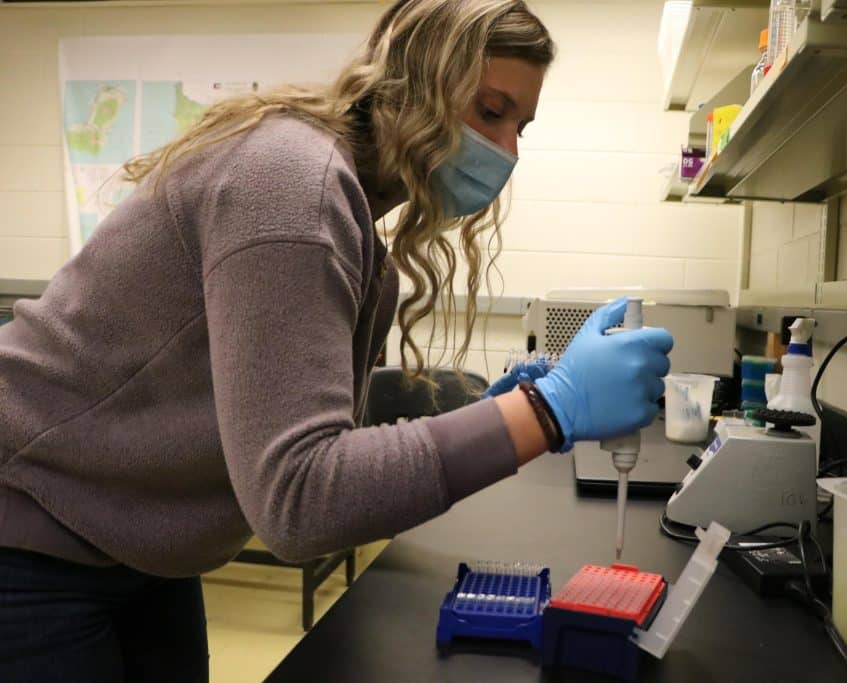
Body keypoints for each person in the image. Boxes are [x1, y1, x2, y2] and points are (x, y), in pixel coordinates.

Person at [0, 1, 672, 680]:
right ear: (414, 85)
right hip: (28, 529)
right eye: (489, 112)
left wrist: (490, 414)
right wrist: (543, 410)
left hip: (137, 540)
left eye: (520, 126)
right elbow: (300, 497)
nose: (507, 151)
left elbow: (300, 417)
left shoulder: (338, 198)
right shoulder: (293, 185)